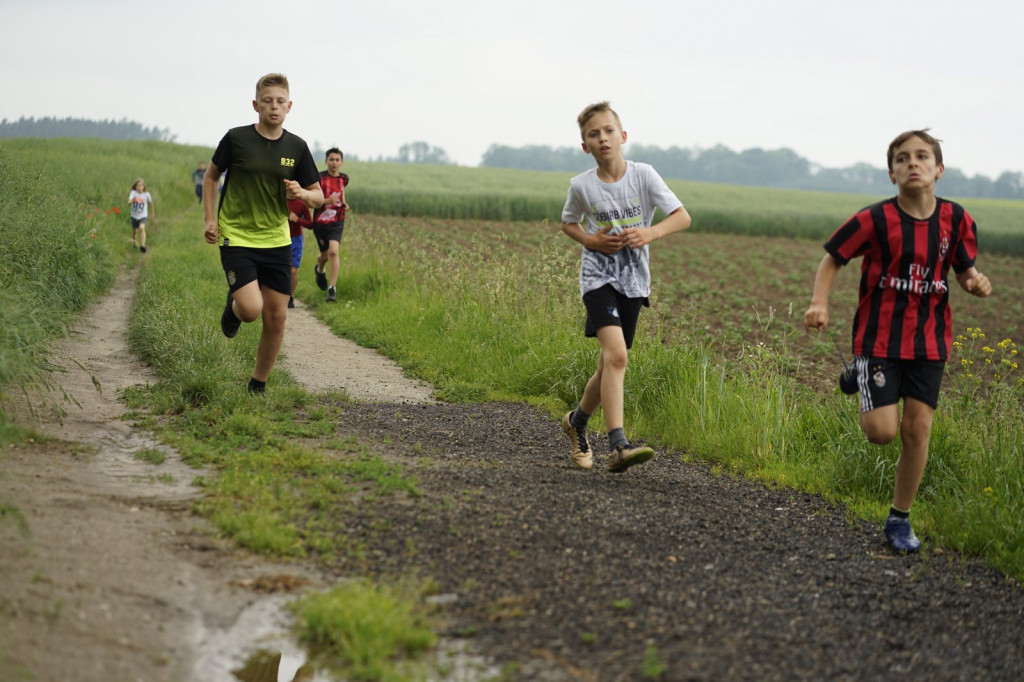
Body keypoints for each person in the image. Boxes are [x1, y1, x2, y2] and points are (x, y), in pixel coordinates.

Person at [804, 129, 992, 552]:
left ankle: (899, 519)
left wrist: (974, 282)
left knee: (917, 429)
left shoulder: (957, 219)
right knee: (881, 432)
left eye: (922, 157)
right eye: (902, 158)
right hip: (880, 337)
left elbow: (963, 270)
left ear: (939, 169)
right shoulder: (874, 219)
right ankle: (860, 369)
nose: (913, 163)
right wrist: (819, 302)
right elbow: (833, 258)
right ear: (891, 173)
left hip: (930, 341)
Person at [559, 101, 692, 472]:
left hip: (634, 282)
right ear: (584, 145)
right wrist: (591, 240)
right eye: (593, 134)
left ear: (623, 136)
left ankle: (577, 422)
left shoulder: (644, 176)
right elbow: (568, 223)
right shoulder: (582, 186)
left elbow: (682, 217)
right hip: (597, 279)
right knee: (617, 356)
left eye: (608, 131)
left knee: (608, 364)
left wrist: (650, 232)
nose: (602, 139)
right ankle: (618, 444)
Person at [203, 73, 324, 395]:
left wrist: (303, 193)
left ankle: (258, 384)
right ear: (256, 105)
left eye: (280, 101)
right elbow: (212, 177)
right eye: (267, 101)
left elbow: (319, 196)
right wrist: (209, 220)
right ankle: (234, 308)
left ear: (290, 106)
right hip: (237, 236)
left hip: (277, 240)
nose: (274, 106)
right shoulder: (237, 138)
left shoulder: (297, 147)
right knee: (252, 310)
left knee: (277, 316)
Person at [311, 147, 350, 303]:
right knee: (325, 255)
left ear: (341, 162)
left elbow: (341, 193)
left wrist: (344, 204)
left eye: (337, 160)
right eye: (331, 160)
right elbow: (313, 201)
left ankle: (332, 289)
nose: (334, 163)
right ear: (326, 161)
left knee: (334, 252)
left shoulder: (344, 179)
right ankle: (319, 268)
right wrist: (327, 201)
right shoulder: (319, 178)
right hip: (320, 222)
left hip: (337, 220)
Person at [287, 197, 312, 308]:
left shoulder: (301, 204)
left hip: (296, 239)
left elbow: (311, 224)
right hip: (280, 239)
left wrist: (297, 220)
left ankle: (291, 296)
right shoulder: (279, 200)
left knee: (293, 270)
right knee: (283, 269)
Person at [128, 178, 154, 253]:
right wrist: (132, 200)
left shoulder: (146, 195)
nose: (140, 187)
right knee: (135, 231)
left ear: (143, 187)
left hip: (143, 216)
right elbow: (129, 203)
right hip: (134, 215)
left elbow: (151, 203)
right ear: (135, 187)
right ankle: (135, 243)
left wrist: (152, 213)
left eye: (141, 186)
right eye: (138, 186)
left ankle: (143, 245)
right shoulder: (133, 193)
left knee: (142, 228)